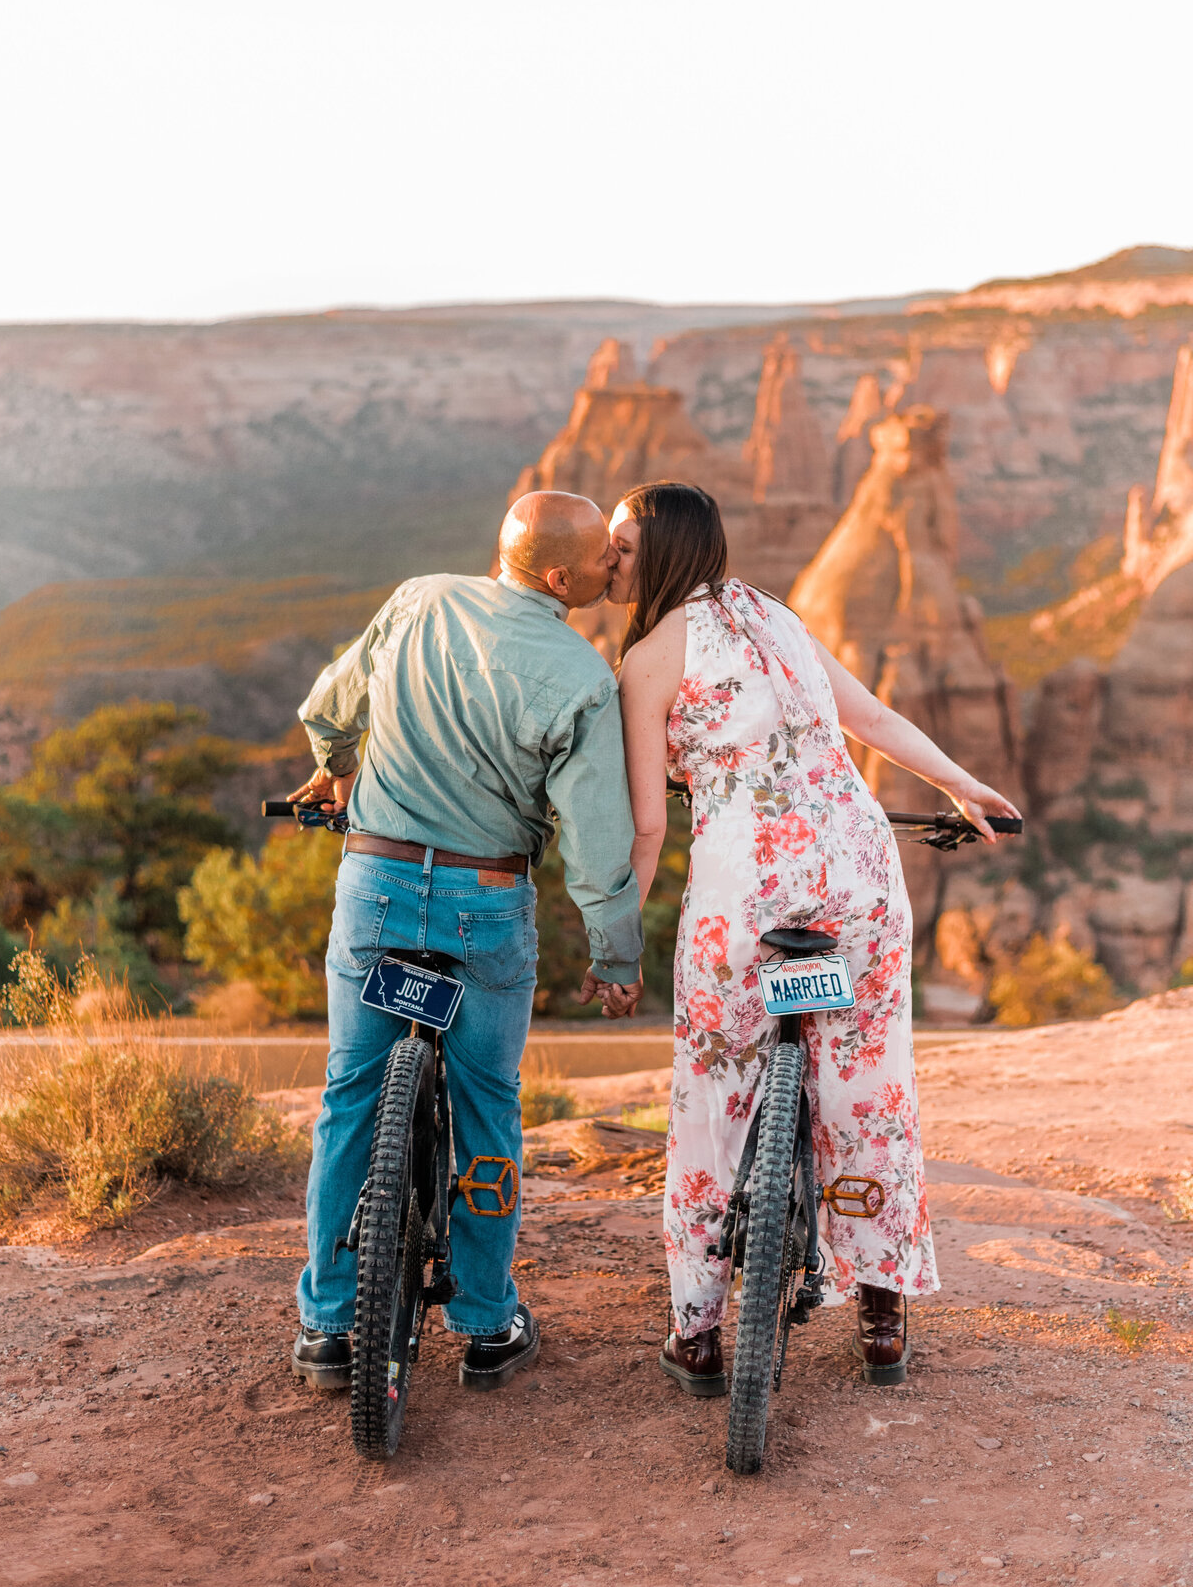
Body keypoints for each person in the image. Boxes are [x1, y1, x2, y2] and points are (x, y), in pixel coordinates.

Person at [606, 480, 1021, 1394]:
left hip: (746, 896)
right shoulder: (781, 618)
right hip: (860, 879)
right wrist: (961, 784)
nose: (611, 562)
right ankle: (881, 1312)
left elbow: (647, 826)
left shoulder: (647, 659)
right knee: (869, 1092)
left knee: (715, 1101)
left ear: (665, 551)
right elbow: (870, 720)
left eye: (625, 546)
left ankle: (700, 1332)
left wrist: (618, 934)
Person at [288, 491, 645, 1394]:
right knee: (489, 1103)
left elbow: (330, 706)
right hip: (485, 902)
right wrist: (615, 955)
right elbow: (597, 845)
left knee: (349, 1095)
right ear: (560, 578)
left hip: (375, 883)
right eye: (605, 557)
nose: (615, 567)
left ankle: (330, 1326)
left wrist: (335, 773)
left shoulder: (419, 599)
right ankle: (487, 1322)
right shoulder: (582, 674)